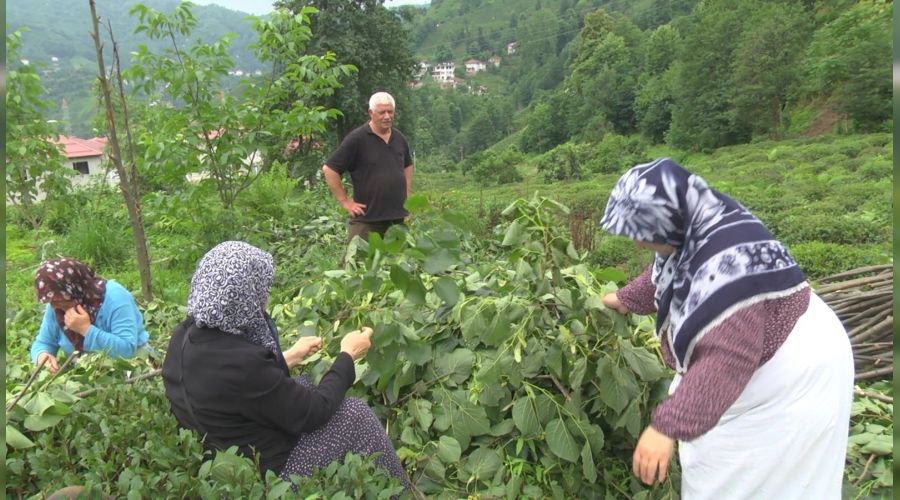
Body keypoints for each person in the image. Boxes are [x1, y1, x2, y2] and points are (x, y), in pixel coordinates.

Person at [599, 158, 853, 498]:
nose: (639, 244)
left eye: (644, 233)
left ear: (667, 221)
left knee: (755, 477)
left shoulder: (728, 268)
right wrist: (627, 297)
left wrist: (665, 428)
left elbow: (727, 361)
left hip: (794, 370)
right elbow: (671, 266)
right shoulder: (699, 221)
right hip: (768, 339)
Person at [161, 241, 410, 489]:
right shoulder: (243, 365)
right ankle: (400, 491)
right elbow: (315, 413)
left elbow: (232, 387)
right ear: (243, 295)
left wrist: (288, 357)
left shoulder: (184, 336)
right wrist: (347, 355)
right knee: (355, 415)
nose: (266, 296)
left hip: (222, 450)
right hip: (264, 474)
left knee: (304, 383)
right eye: (260, 289)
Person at [31, 257, 150, 373]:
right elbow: (43, 343)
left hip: (132, 368)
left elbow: (127, 350)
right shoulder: (58, 306)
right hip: (88, 372)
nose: (54, 306)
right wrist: (42, 356)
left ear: (74, 290)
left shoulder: (115, 297)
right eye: (50, 301)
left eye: (59, 300)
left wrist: (86, 330)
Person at [322, 91, 414, 242]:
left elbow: (408, 165)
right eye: (382, 112)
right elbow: (330, 169)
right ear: (371, 113)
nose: (387, 116)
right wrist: (345, 202)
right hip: (367, 220)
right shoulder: (357, 139)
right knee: (356, 263)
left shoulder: (399, 138)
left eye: (390, 112)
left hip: (397, 219)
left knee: (396, 263)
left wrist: (408, 193)